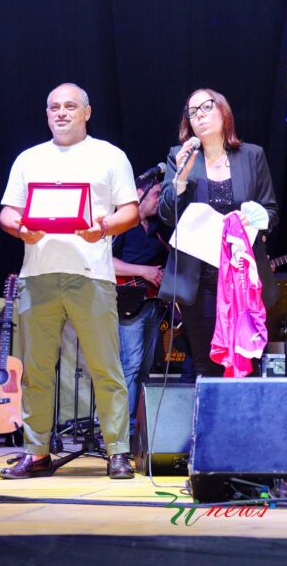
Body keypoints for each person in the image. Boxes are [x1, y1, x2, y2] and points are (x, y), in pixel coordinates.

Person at [0, 83, 138, 480]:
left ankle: (118, 451)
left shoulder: (110, 156)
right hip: (38, 275)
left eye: (70, 106)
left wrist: (105, 226)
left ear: (87, 112)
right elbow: (7, 213)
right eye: (54, 107)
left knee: (105, 367)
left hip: (91, 274)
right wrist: (20, 229)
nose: (61, 113)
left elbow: (130, 210)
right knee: (37, 370)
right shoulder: (29, 158)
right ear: (47, 114)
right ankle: (37, 452)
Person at [157, 88, 279, 378]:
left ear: (223, 112)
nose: (199, 115)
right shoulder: (179, 157)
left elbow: (271, 211)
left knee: (248, 365)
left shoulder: (252, 156)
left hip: (243, 280)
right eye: (192, 111)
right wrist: (182, 177)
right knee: (207, 366)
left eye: (206, 107)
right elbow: (165, 214)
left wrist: (257, 220)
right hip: (200, 283)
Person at [112, 172, 168, 439]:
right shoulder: (124, 226)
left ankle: (141, 432)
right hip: (128, 304)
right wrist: (144, 271)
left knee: (146, 367)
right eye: (156, 194)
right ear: (139, 194)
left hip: (153, 304)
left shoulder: (158, 231)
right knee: (131, 365)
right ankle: (124, 430)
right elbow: (107, 262)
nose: (159, 200)